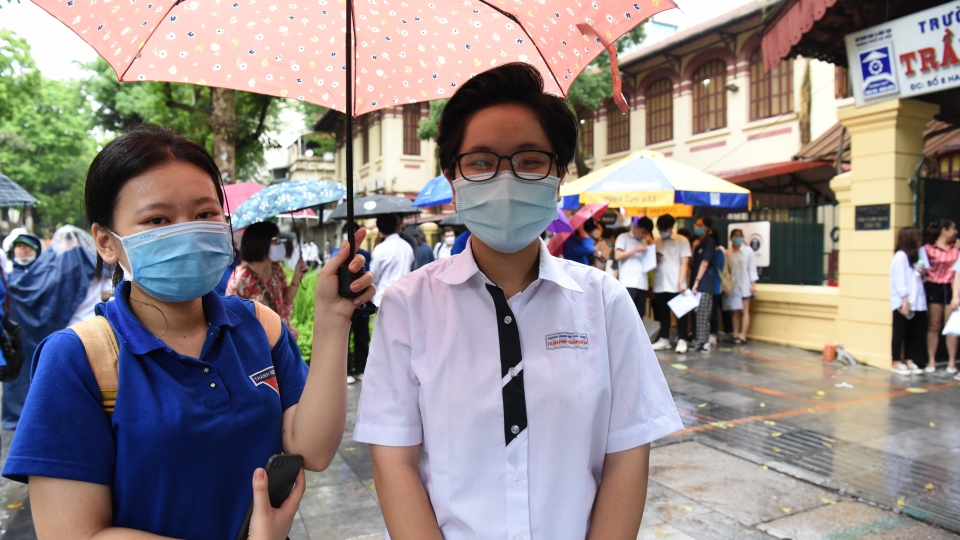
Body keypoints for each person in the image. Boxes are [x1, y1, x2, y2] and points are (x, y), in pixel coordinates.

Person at [353, 63, 682, 540]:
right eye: (481, 161)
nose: (505, 178)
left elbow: (627, 456)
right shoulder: (407, 306)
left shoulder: (605, 303)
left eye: (529, 160)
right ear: (452, 179)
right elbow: (393, 460)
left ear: (559, 175)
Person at [1, 125, 376, 539]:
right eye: (157, 219)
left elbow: (313, 451)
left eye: (204, 214)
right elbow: (74, 534)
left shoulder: (259, 326)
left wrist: (333, 321)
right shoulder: (77, 360)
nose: (189, 232)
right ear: (106, 242)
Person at [2, 229, 98, 431]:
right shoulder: (9, 274)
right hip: (22, 338)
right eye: (19, 247)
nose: (23, 251)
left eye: (27, 247)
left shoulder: (53, 272)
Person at [227, 221, 310, 339]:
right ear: (261, 242)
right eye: (275, 239)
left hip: (283, 340)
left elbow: (286, 300)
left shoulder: (276, 269)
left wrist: (297, 275)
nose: (279, 244)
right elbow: (233, 319)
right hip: (259, 344)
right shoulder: (241, 278)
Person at [890, 227, 929, 375]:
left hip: (917, 302)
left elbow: (919, 277)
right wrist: (904, 301)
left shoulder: (915, 255)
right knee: (900, 331)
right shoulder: (900, 256)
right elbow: (899, 280)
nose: (920, 241)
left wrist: (922, 272)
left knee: (913, 332)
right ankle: (896, 362)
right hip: (904, 302)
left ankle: (910, 360)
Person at [923, 219, 959, 374]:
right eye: (953, 228)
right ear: (944, 230)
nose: (955, 231)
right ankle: (932, 359)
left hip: (950, 287)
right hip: (934, 286)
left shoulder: (955, 249)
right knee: (934, 324)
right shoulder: (928, 249)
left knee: (950, 325)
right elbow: (922, 266)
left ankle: (952, 361)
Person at [650, 214, 691, 352]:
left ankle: (682, 339)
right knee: (663, 313)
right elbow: (651, 263)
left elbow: (684, 262)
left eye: (665, 229)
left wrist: (681, 281)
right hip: (660, 282)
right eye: (660, 229)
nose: (662, 231)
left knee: (680, 313)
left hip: (676, 283)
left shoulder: (682, 241)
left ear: (671, 227)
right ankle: (664, 338)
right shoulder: (656, 242)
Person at [370, 214, 415, 307]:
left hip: (384, 298)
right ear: (396, 226)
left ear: (379, 230)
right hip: (405, 298)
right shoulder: (407, 246)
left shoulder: (380, 249)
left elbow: (374, 276)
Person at [724, 228, 759, 345]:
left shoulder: (748, 251)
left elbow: (752, 269)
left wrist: (753, 284)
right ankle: (735, 334)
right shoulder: (728, 253)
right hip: (733, 286)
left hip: (745, 284)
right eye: (735, 236)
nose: (737, 238)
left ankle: (743, 335)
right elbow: (727, 271)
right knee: (734, 311)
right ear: (731, 238)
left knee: (744, 310)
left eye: (739, 236)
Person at [615, 217, 654, 320]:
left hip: (642, 283)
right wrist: (635, 250)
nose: (644, 235)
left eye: (646, 233)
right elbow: (617, 255)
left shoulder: (644, 242)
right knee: (626, 314)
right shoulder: (623, 237)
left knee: (639, 316)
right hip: (628, 282)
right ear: (637, 226)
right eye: (643, 232)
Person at [690, 216, 718, 353]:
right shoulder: (698, 243)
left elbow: (705, 263)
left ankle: (704, 341)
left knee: (703, 313)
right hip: (697, 284)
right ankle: (698, 341)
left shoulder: (709, 242)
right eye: (696, 224)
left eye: (700, 225)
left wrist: (697, 281)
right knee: (697, 314)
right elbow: (691, 264)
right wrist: (693, 248)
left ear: (707, 227)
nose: (697, 227)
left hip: (704, 283)